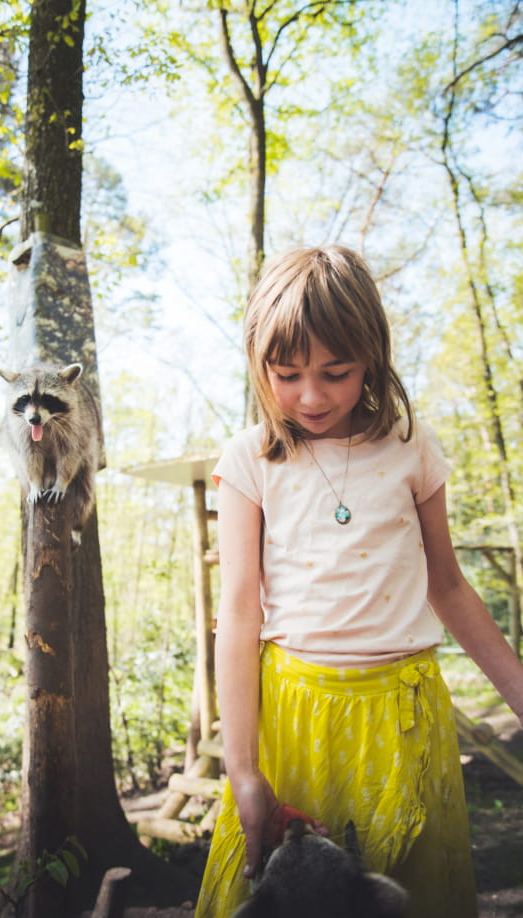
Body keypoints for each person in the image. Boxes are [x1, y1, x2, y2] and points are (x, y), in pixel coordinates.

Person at [194, 245, 523, 918]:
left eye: (335, 373)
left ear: (370, 356)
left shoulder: (410, 445)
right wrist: (244, 770)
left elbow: (450, 586)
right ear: (260, 366)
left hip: (404, 717)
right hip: (295, 719)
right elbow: (239, 613)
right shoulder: (249, 461)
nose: (311, 396)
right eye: (287, 375)